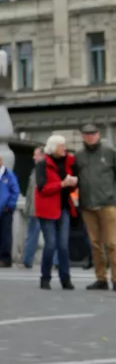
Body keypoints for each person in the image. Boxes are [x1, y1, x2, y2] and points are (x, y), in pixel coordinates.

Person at [75, 122, 116, 291]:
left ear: (98, 135)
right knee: (95, 244)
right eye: (86, 134)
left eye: (92, 133)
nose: (89, 136)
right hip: (87, 205)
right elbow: (74, 179)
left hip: (108, 204)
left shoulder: (109, 153)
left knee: (112, 243)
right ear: (83, 136)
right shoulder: (78, 156)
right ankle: (101, 278)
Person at [36, 132, 78, 290]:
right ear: (53, 148)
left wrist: (73, 183)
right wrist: (61, 184)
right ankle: (45, 278)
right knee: (51, 244)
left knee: (64, 245)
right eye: (61, 146)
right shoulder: (42, 165)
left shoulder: (68, 163)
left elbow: (70, 186)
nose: (64, 148)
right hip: (47, 210)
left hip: (64, 208)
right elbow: (42, 188)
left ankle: (65, 278)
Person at [22, 147, 45, 268]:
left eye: (35, 155)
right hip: (33, 210)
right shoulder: (35, 170)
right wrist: (27, 208)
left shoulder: (44, 170)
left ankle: (56, 261)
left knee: (48, 236)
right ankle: (27, 260)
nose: (33, 157)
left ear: (43, 155)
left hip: (40, 210)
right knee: (32, 235)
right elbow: (30, 192)